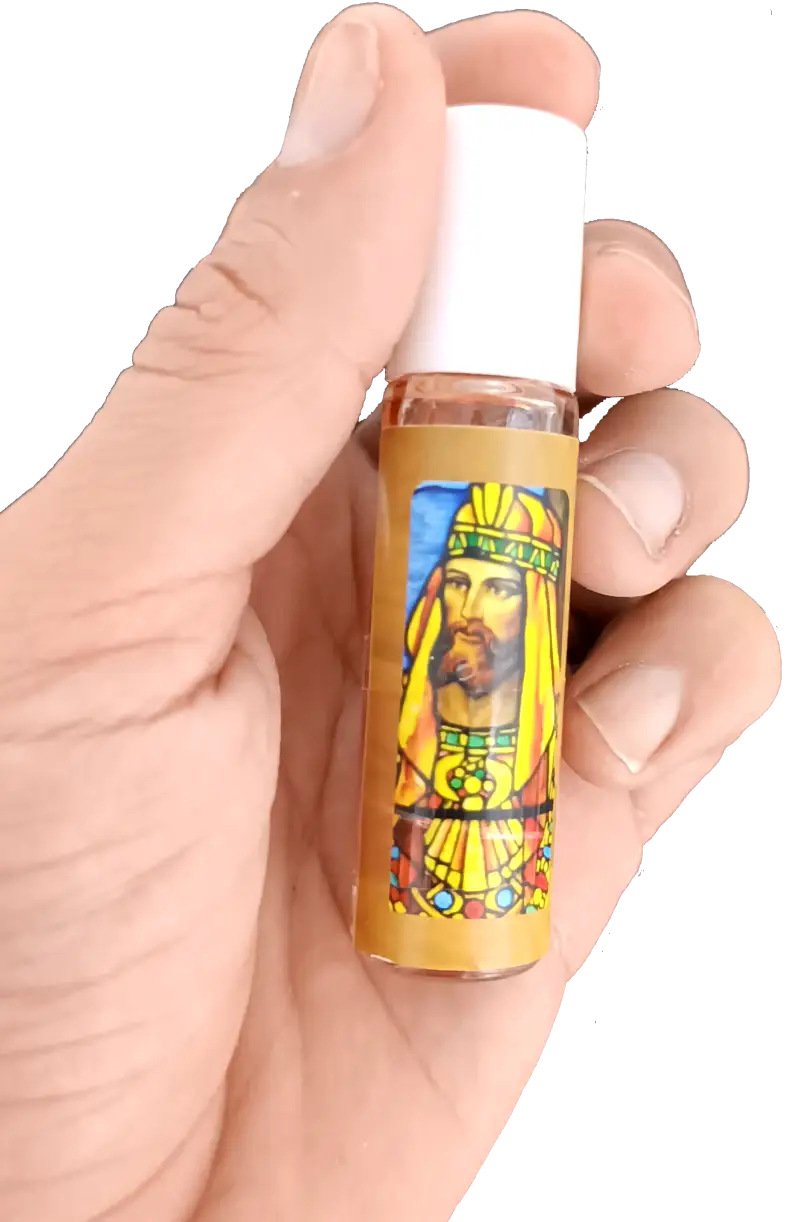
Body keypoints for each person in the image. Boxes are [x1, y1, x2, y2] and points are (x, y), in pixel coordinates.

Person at [0, 9, 781, 1222]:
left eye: (488, 602)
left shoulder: (514, 419)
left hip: (298, 1069)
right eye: (457, 600)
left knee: (632, 504)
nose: (474, 625)